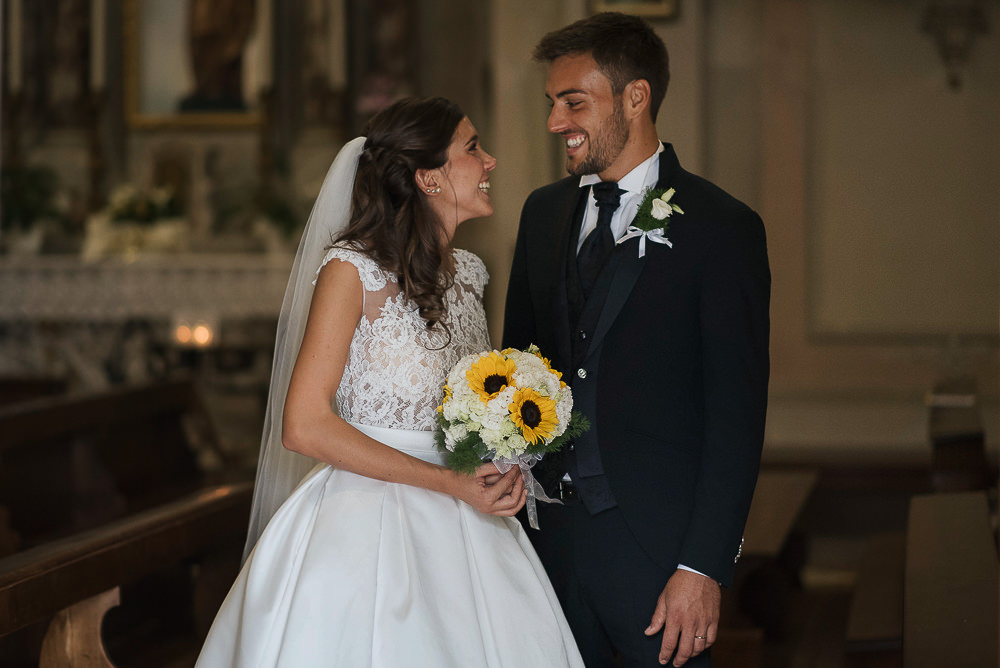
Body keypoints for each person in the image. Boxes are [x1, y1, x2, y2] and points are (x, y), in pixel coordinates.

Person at [196, 97, 584, 667]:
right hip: (365, 517)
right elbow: (303, 426)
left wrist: (505, 464)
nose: (490, 161)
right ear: (428, 177)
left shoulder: (469, 275)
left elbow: (470, 408)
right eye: (472, 148)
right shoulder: (351, 270)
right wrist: (444, 482)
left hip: (466, 519)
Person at [502, 13, 770, 668]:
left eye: (573, 102)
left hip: (658, 560)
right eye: (551, 104)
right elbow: (519, 365)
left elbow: (736, 416)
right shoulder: (541, 214)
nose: (555, 123)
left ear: (635, 97)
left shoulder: (721, 227)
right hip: (545, 549)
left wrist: (702, 567)